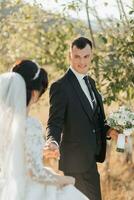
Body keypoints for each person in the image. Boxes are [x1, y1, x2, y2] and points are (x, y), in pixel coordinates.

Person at [0, 60, 89, 200]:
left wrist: (40, 149)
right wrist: (66, 180)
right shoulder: (30, 125)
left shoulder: (4, 124)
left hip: (7, 188)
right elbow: (35, 173)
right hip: (29, 191)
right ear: (35, 94)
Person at [45, 37, 118, 200]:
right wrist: (52, 141)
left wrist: (109, 131)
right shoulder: (60, 86)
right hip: (74, 164)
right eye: (77, 56)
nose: (82, 62)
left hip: (90, 160)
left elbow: (94, 119)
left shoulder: (90, 82)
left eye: (86, 56)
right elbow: (54, 122)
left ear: (91, 55)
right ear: (70, 55)